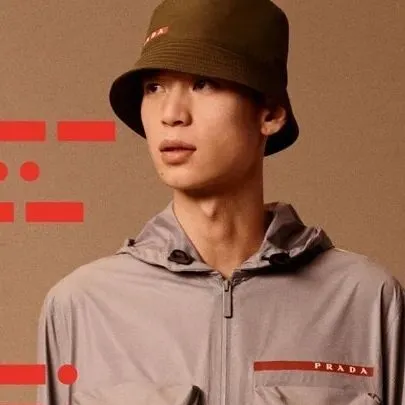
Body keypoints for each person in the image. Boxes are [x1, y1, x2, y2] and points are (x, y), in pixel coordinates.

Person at [36, 0, 405, 404]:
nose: (171, 114)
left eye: (204, 83)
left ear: (270, 113)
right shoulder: (80, 307)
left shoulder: (366, 300)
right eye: (154, 87)